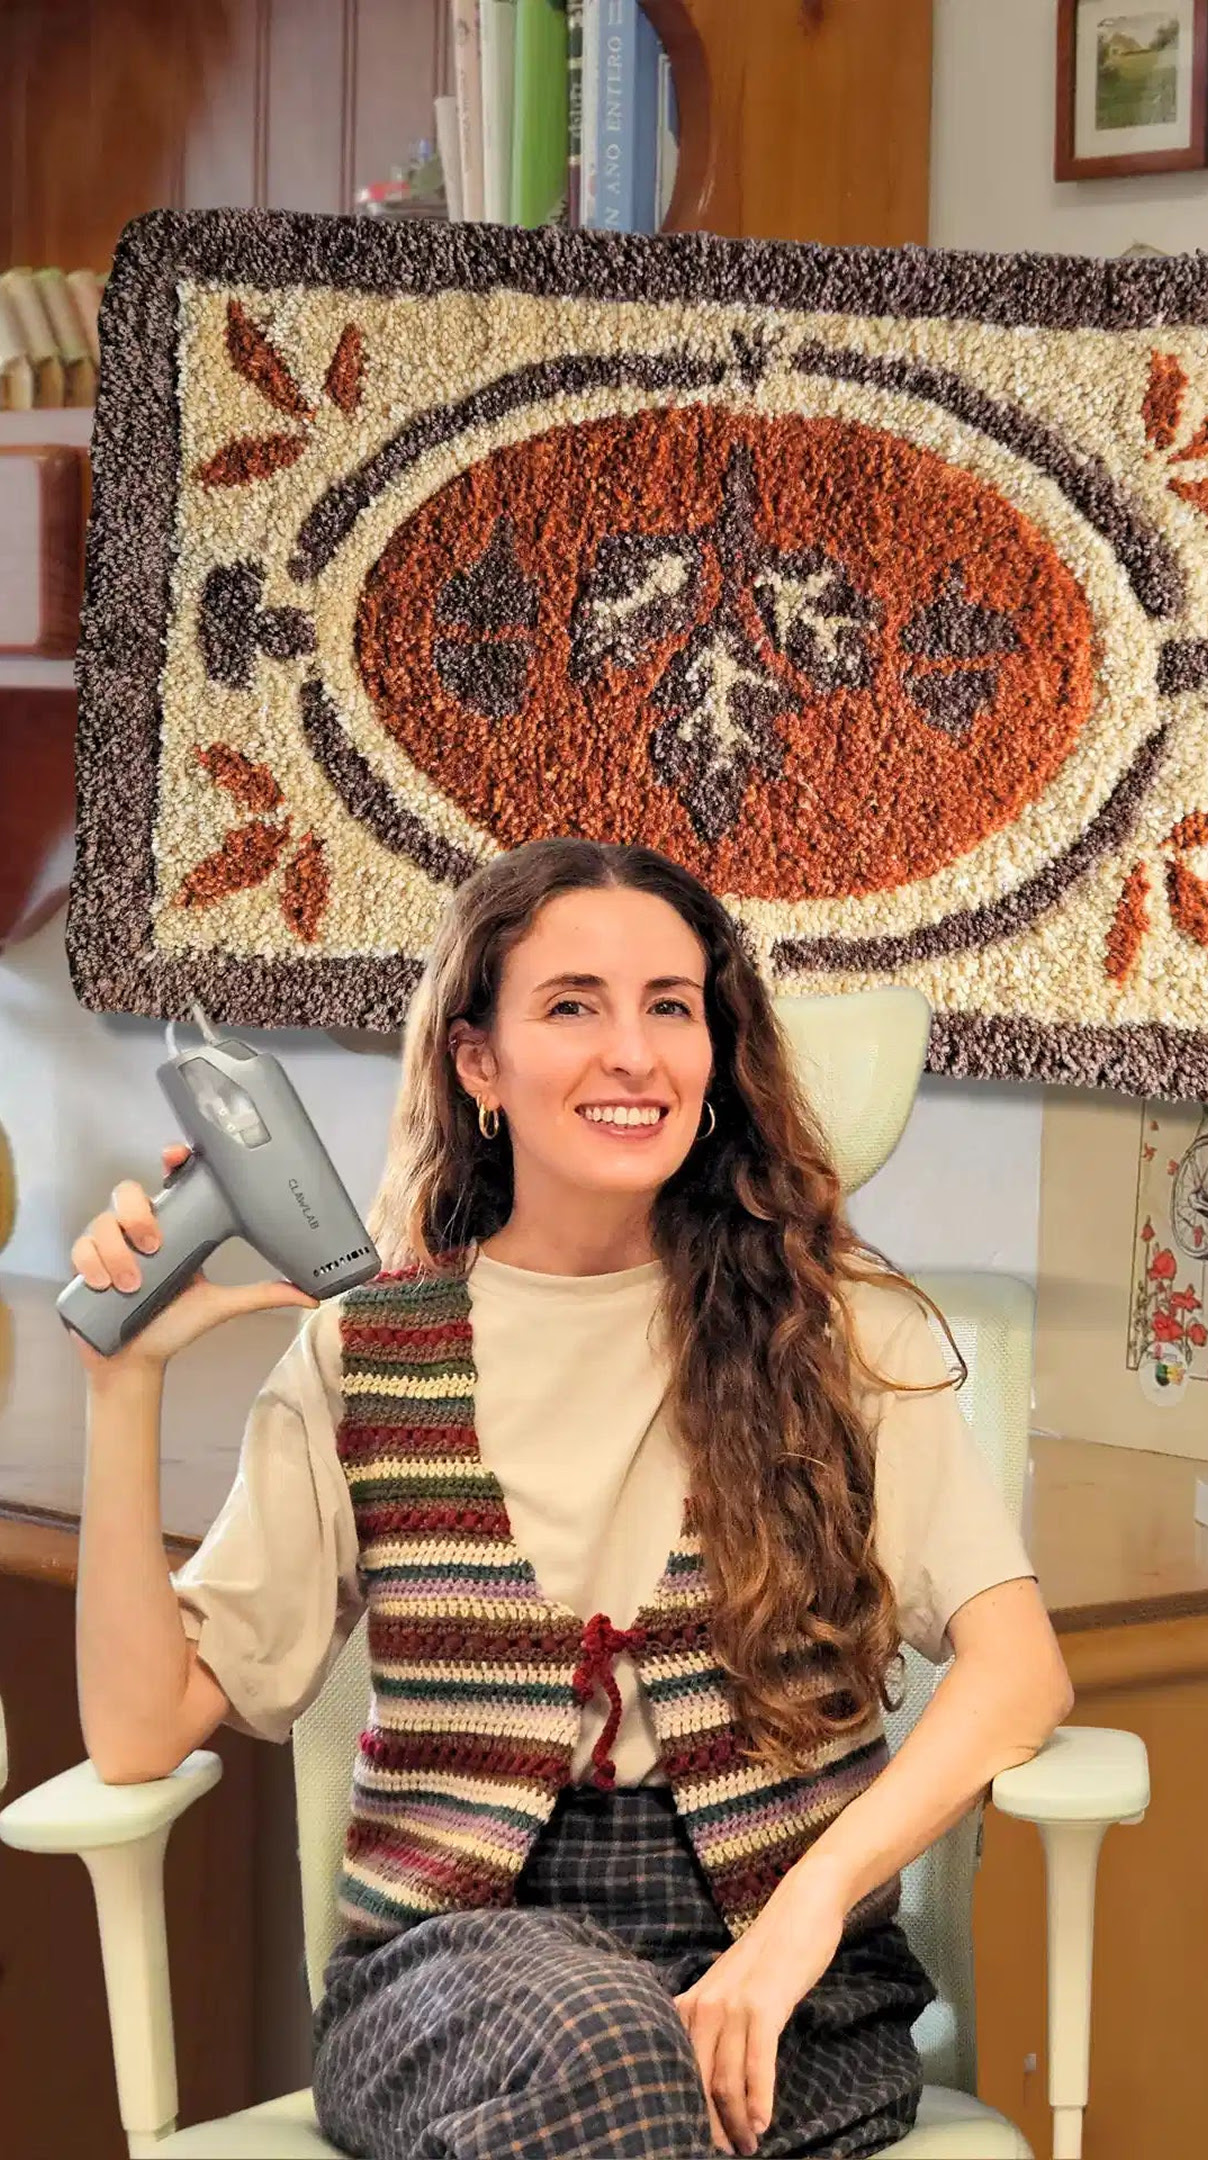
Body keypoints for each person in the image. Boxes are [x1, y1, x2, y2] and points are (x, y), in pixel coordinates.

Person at [71, 837, 1071, 2160]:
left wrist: (803, 1920)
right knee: (615, 2065)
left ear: (717, 1051)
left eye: (671, 1005)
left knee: (639, 2089)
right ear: (477, 1061)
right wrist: (120, 1387)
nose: (635, 1054)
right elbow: (143, 1733)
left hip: (785, 1992)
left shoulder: (837, 1336)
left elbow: (1019, 1676)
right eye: (571, 1006)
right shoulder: (366, 1352)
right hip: (452, 1978)